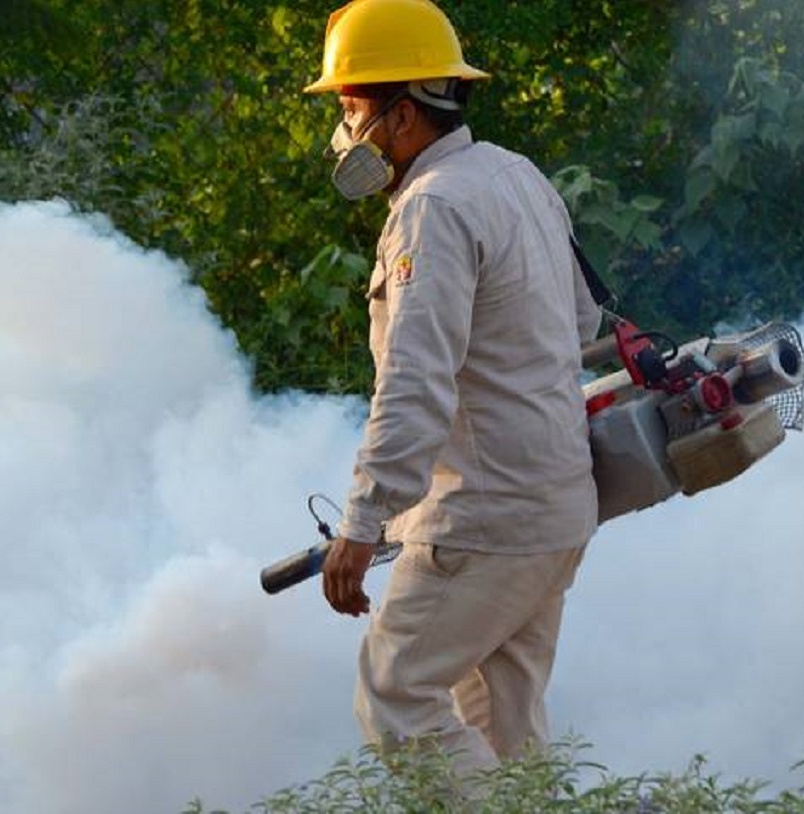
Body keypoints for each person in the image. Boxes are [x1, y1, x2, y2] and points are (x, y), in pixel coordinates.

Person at [304, 0, 603, 790]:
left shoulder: (431, 208)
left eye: (349, 106)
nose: (341, 129)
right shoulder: (515, 174)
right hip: (554, 511)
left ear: (401, 113)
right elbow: (581, 323)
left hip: (483, 521)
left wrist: (361, 525)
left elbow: (414, 385)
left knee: (395, 696)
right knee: (504, 734)